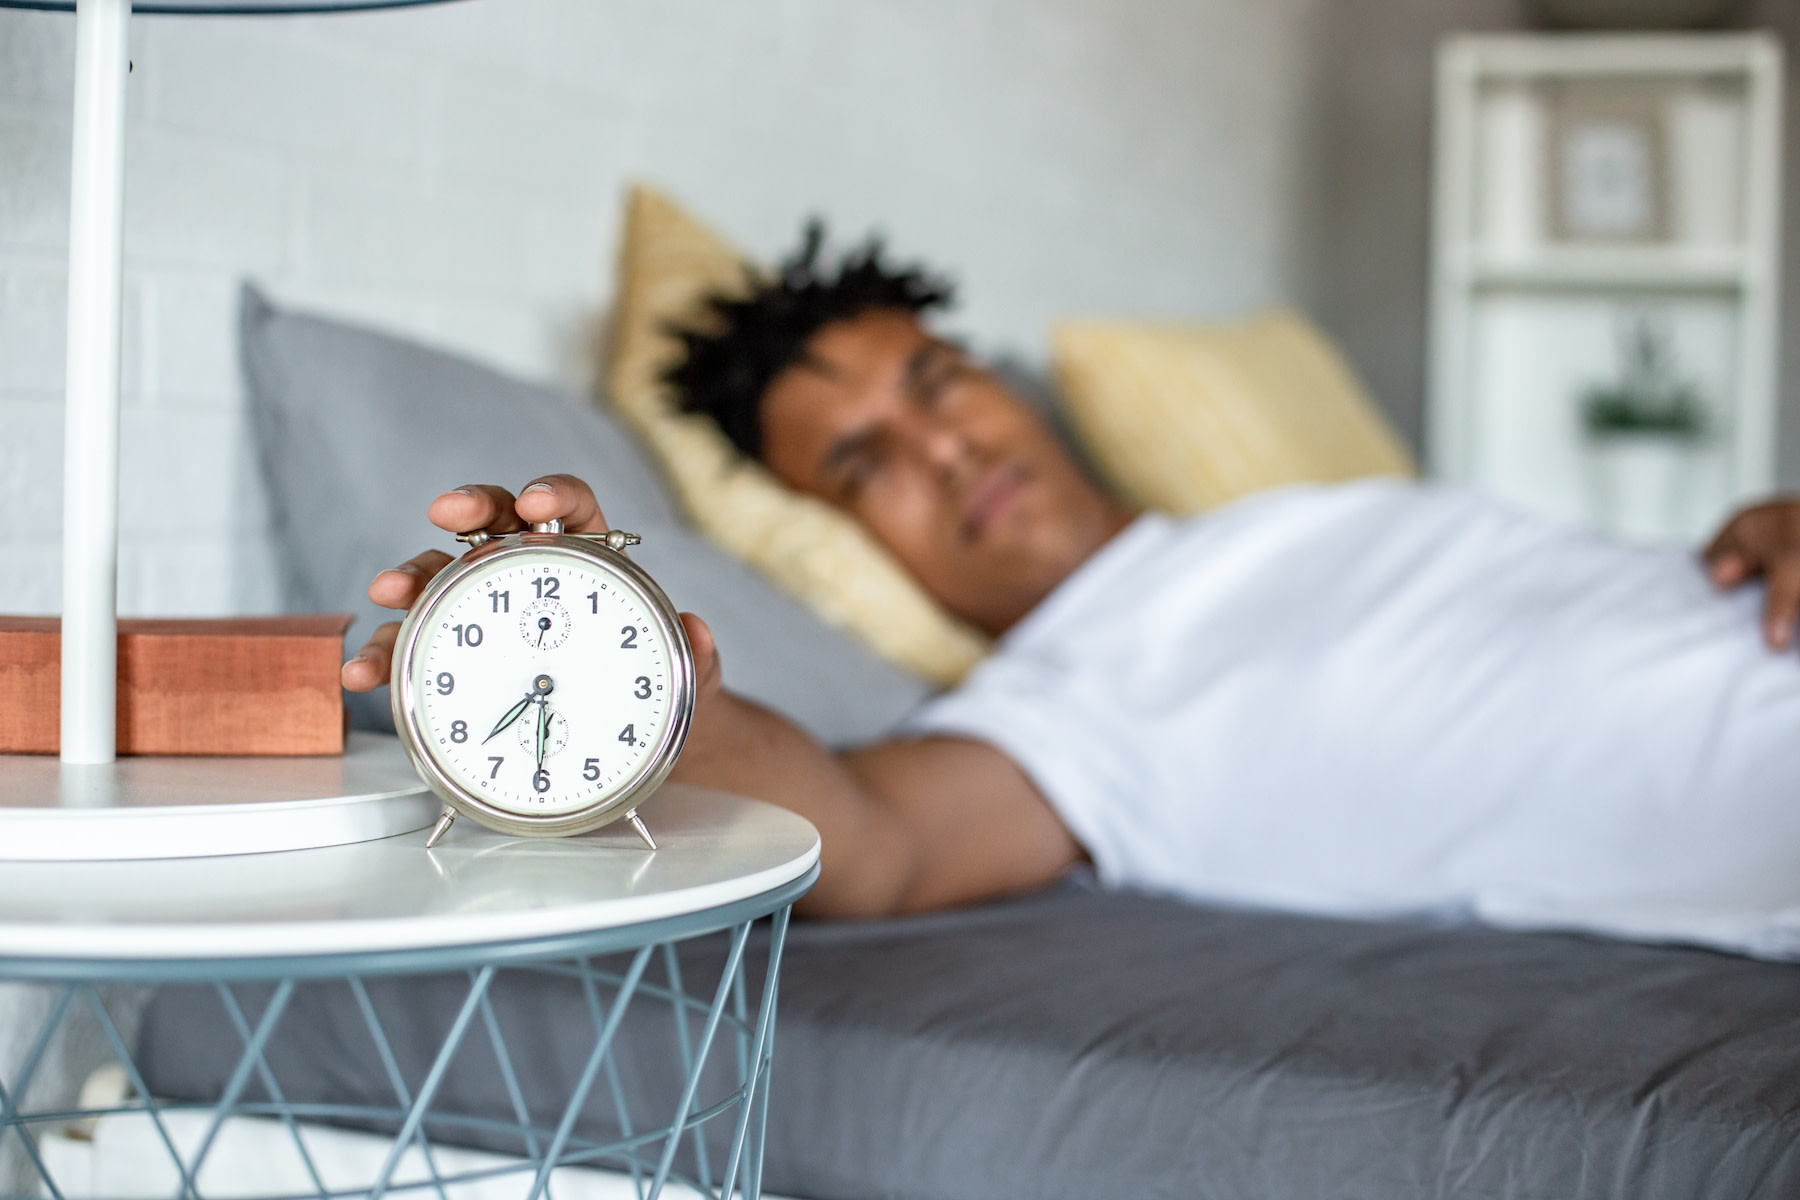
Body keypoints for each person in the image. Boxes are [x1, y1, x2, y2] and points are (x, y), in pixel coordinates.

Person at [341, 227, 1800, 954]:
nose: (948, 444)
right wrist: (642, 675)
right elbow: (871, 846)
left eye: (942, 384)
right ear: (835, 537)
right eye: (868, 463)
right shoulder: (1062, 719)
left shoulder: (1318, 515)